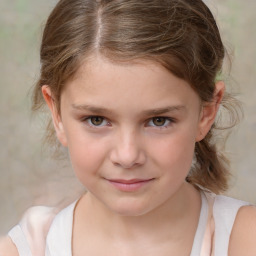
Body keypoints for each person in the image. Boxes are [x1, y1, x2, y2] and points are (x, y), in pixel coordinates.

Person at [1, 0, 256, 255]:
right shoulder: (26, 249)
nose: (127, 156)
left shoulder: (246, 240)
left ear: (207, 112)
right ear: (56, 113)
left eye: (159, 121)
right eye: (96, 120)